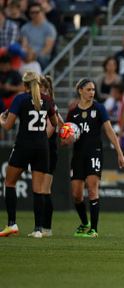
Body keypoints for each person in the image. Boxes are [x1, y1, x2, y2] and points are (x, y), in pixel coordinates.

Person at [65, 78, 124, 238]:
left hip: (94, 153)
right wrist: (66, 140)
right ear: (80, 91)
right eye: (88, 89)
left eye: (93, 90)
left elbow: (109, 130)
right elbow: (65, 137)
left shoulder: (99, 108)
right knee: (77, 194)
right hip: (77, 154)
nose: (92, 92)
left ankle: (94, 229)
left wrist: (119, 152)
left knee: (92, 189)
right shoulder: (73, 112)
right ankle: (84, 223)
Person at [0, 71, 57, 238]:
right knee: (38, 189)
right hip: (42, 147)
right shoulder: (46, 100)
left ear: (24, 85)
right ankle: (38, 229)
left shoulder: (20, 99)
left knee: (9, 183)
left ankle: (12, 224)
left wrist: (1, 119)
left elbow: (8, 126)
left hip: (24, 145)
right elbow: (53, 123)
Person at [39, 75, 63, 237]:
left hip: (48, 151)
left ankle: (45, 228)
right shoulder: (45, 105)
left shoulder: (49, 105)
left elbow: (51, 129)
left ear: (46, 90)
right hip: (42, 151)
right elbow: (61, 123)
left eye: (39, 88)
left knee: (44, 190)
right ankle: (41, 227)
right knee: (40, 190)